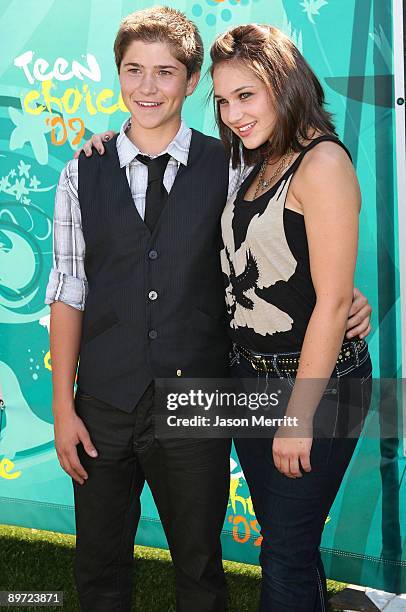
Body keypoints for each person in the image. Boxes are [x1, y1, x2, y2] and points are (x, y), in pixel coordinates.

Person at [53, 8, 372, 612]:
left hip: (208, 393)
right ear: (117, 75)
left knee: (213, 561)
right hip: (119, 399)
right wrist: (62, 406)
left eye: (165, 72)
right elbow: (69, 290)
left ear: (191, 80)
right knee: (101, 563)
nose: (148, 87)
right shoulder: (84, 169)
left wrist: (343, 298)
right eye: (134, 70)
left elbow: (302, 254)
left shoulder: (235, 164)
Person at [209, 24, 373, 611]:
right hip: (247, 379)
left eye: (246, 95)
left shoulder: (321, 161)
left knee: (284, 549)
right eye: (223, 100)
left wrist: (298, 416)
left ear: (284, 84)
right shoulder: (258, 162)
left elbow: (331, 303)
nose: (232, 114)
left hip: (312, 389)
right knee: (290, 543)